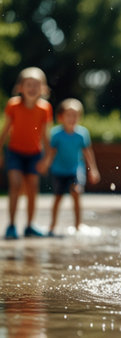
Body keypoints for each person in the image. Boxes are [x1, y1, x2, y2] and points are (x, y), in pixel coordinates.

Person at [0, 67, 53, 239]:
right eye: (28, 84)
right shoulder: (13, 105)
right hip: (15, 152)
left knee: (32, 189)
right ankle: (11, 225)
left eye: (36, 85)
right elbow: (6, 130)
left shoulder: (45, 108)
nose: (32, 88)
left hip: (34, 154)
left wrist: (47, 158)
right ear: (20, 87)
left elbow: (46, 136)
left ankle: (30, 226)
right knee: (15, 185)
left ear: (43, 88)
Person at [39, 98, 100, 236]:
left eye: (75, 115)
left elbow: (87, 152)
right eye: (69, 115)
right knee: (58, 197)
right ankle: (52, 225)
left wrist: (93, 170)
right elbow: (52, 152)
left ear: (80, 117)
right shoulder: (56, 134)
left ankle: (78, 225)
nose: (72, 118)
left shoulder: (82, 134)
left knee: (76, 193)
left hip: (75, 170)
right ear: (61, 117)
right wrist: (45, 164)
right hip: (59, 171)